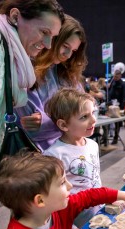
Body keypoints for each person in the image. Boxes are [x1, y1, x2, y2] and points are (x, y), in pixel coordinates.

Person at [0, 1, 64, 229]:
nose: (48, 44)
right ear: (16, 16)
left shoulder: (13, 56)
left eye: (53, 37)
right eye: (44, 32)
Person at [0, 151, 125, 229]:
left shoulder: (59, 209)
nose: (69, 186)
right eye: (61, 183)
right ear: (40, 201)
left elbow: (90, 195)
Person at [15, 14, 88, 151]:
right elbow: (31, 129)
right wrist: (72, 123)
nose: (67, 55)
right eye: (65, 46)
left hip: (70, 154)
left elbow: (89, 117)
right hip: (37, 158)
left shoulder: (69, 75)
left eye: (73, 50)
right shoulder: (26, 70)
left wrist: (48, 123)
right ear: (53, 38)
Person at [42, 88, 101, 228]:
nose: (93, 120)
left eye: (93, 113)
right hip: (74, 217)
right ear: (63, 125)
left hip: (96, 208)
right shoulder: (54, 155)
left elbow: (95, 177)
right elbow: (51, 197)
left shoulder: (92, 145)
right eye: (84, 117)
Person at [108, 62, 125, 144]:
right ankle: (106, 137)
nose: (115, 77)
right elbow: (108, 92)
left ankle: (116, 137)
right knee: (108, 122)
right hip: (110, 104)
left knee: (117, 123)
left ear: (120, 76)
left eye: (117, 76)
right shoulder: (111, 82)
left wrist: (122, 107)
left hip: (118, 106)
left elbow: (124, 96)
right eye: (114, 76)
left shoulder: (122, 84)